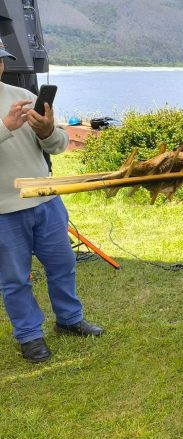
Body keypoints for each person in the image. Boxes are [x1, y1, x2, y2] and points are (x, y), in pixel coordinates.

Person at [0, 38, 103, 364]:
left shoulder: (24, 96)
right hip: (3, 210)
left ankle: (69, 319)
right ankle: (30, 336)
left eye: (1, 58)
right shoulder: (10, 111)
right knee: (15, 279)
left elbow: (58, 145)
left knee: (62, 264)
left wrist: (46, 130)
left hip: (46, 201)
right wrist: (5, 126)